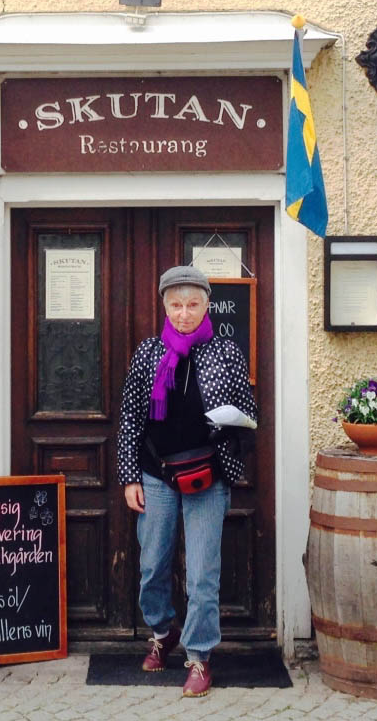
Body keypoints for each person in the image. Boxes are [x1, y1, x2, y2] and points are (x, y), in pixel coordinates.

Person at [117, 265, 257, 697]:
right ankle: (162, 632)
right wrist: (129, 477)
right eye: (176, 305)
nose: (184, 314)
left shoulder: (227, 352)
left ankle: (199, 656)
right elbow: (130, 419)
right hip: (156, 475)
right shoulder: (148, 353)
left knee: (202, 573)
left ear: (207, 305)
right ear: (164, 306)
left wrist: (230, 428)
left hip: (207, 476)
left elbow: (250, 414)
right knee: (152, 565)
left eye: (192, 304)